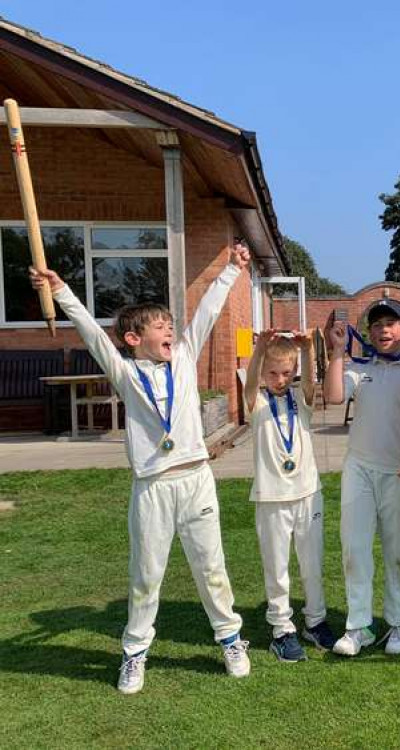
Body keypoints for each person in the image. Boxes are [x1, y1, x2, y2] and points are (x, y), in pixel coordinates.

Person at [29, 246, 252, 695]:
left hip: (196, 479)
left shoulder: (185, 358)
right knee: (146, 575)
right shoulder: (126, 374)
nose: (171, 329)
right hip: (152, 488)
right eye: (160, 326)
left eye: (171, 324)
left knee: (212, 568)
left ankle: (230, 639)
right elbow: (92, 334)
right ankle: (134, 653)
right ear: (133, 339)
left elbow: (207, 311)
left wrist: (231, 269)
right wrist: (62, 290)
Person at [323, 300, 400, 656]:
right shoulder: (358, 367)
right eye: (377, 325)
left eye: (392, 323)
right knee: (356, 549)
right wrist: (336, 351)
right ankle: (358, 625)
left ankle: (399, 624)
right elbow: (333, 397)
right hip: (359, 469)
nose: (384, 330)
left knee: (399, 551)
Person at [244, 329, 332, 661]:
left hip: (308, 494)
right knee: (277, 567)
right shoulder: (256, 403)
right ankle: (281, 628)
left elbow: (310, 384)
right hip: (270, 498)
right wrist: (259, 351)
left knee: (312, 564)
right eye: (272, 373)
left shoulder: (301, 401)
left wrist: (308, 351)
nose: (279, 379)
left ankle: (316, 619)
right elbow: (249, 385)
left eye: (285, 373)